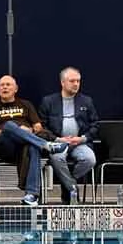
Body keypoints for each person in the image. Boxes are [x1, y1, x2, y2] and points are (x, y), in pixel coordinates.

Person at [0, 75, 61, 207]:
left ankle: (31, 195)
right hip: (5, 147)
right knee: (9, 125)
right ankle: (45, 145)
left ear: (16, 89)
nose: (5, 87)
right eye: (2, 85)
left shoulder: (26, 104)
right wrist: (14, 130)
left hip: (25, 146)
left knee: (32, 147)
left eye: (8, 85)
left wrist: (27, 132)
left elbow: (38, 127)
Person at [37, 67, 99, 204]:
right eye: (72, 81)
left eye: (78, 81)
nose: (76, 84)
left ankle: (67, 184)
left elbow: (95, 125)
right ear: (63, 82)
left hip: (79, 143)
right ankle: (72, 189)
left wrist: (82, 138)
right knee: (57, 158)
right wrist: (58, 139)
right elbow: (41, 128)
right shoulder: (48, 101)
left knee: (90, 160)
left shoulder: (86, 101)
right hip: (58, 143)